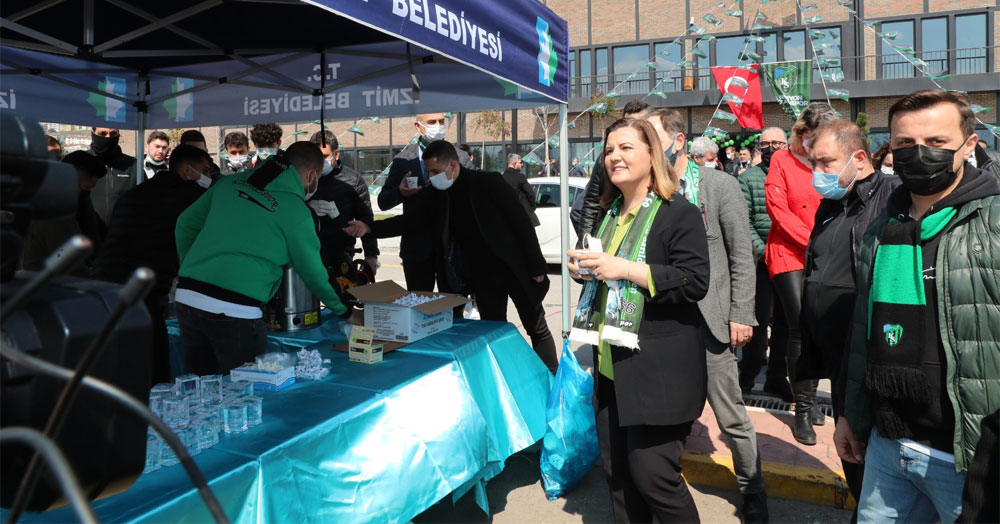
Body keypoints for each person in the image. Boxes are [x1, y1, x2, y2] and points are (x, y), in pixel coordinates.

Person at [834, 89, 1000, 524]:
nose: (920, 153)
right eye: (906, 143)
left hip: (969, 455)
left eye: (937, 142)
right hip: (889, 444)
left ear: (969, 144)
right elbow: (863, 332)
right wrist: (851, 414)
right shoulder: (881, 228)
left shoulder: (994, 222)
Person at [566, 117, 709, 523]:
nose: (615, 156)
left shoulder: (677, 212)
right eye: (609, 150)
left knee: (654, 477)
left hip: (659, 371)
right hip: (613, 367)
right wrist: (587, 270)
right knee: (618, 476)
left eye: (626, 147)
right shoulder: (610, 213)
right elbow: (608, 274)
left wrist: (626, 269)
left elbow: (695, 280)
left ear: (652, 154)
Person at [647, 108, 768, 522]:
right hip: (664, 320)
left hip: (710, 320)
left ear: (678, 141)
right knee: (669, 409)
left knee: (730, 414)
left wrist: (742, 313)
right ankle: (664, 482)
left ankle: (753, 490)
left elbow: (741, 255)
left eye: (652, 137)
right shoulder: (649, 190)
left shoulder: (718, 186)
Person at [349, 140, 557, 372]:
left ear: (453, 166)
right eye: (429, 172)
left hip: (514, 268)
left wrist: (537, 266)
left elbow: (522, 223)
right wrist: (369, 228)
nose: (431, 177)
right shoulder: (436, 194)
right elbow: (410, 221)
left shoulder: (489, 182)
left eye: (435, 171)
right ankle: (508, 377)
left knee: (536, 327)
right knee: (494, 331)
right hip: (484, 278)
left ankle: (553, 379)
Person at [174, 142, 359, 375]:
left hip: (188, 297)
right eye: (318, 179)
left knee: (201, 386)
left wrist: (192, 270)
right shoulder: (297, 211)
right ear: (312, 175)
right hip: (237, 309)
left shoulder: (228, 184)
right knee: (245, 389)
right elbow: (314, 272)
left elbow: (185, 224)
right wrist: (345, 311)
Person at [799, 119, 901, 509]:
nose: (817, 172)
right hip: (836, 358)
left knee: (876, 462)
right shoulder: (831, 204)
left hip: (871, 357)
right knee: (852, 455)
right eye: (813, 163)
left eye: (826, 163)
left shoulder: (893, 196)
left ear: (858, 158)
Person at [93, 145, 213, 385]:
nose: (209, 177)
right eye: (205, 171)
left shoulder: (135, 193)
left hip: (103, 287)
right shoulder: (190, 197)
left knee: (115, 368)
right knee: (152, 370)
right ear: (187, 171)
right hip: (141, 290)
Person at [765, 102, 839, 445]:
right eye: (815, 136)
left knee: (816, 325)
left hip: (824, 251)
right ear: (801, 133)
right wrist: (811, 242)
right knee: (799, 326)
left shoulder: (829, 160)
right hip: (788, 251)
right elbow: (777, 209)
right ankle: (803, 409)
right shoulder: (782, 159)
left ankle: (809, 398)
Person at [376, 113, 472, 292]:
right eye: (432, 122)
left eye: (441, 121)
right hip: (417, 248)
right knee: (419, 302)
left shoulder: (460, 156)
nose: (438, 126)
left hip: (452, 248)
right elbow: (383, 201)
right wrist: (400, 192)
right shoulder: (404, 159)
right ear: (418, 126)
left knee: (454, 305)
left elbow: (473, 192)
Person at [737, 127, 791, 401]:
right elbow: (743, 222)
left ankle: (777, 377)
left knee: (785, 323)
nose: (771, 148)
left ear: (786, 144)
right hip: (760, 262)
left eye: (776, 143)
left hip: (790, 260)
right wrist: (764, 251)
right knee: (757, 322)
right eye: (765, 143)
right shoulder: (748, 179)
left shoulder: (795, 174)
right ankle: (747, 374)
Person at [306, 130, 379, 283]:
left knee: (343, 295)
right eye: (316, 157)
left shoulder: (353, 180)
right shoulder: (304, 178)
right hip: (308, 253)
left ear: (336, 154)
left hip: (342, 254)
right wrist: (306, 207)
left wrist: (371, 255)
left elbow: (366, 218)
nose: (320, 162)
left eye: (325, 156)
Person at [575, 99, 651, 243]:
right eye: (609, 151)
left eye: (638, 124)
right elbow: (590, 203)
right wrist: (584, 243)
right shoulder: (604, 161)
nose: (615, 157)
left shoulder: (669, 210)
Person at [21, 151, 106, 276]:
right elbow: (67, 262)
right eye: (84, 188)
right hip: (44, 282)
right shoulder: (55, 210)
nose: (82, 194)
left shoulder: (48, 199)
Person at [88, 127, 137, 228]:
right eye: (102, 133)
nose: (108, 137)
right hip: (87, 234)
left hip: (123, 233)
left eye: (113, 134)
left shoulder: (133, 165)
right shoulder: (80, 163)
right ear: (93, 133)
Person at [502, 153, 539, 227]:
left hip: (507, 217)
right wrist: (532, 208)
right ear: (514, 164)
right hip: (523, 215)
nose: (522, 165)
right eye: (521, 162)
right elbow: (530, 194)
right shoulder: (520, 177)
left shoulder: (501, 178)